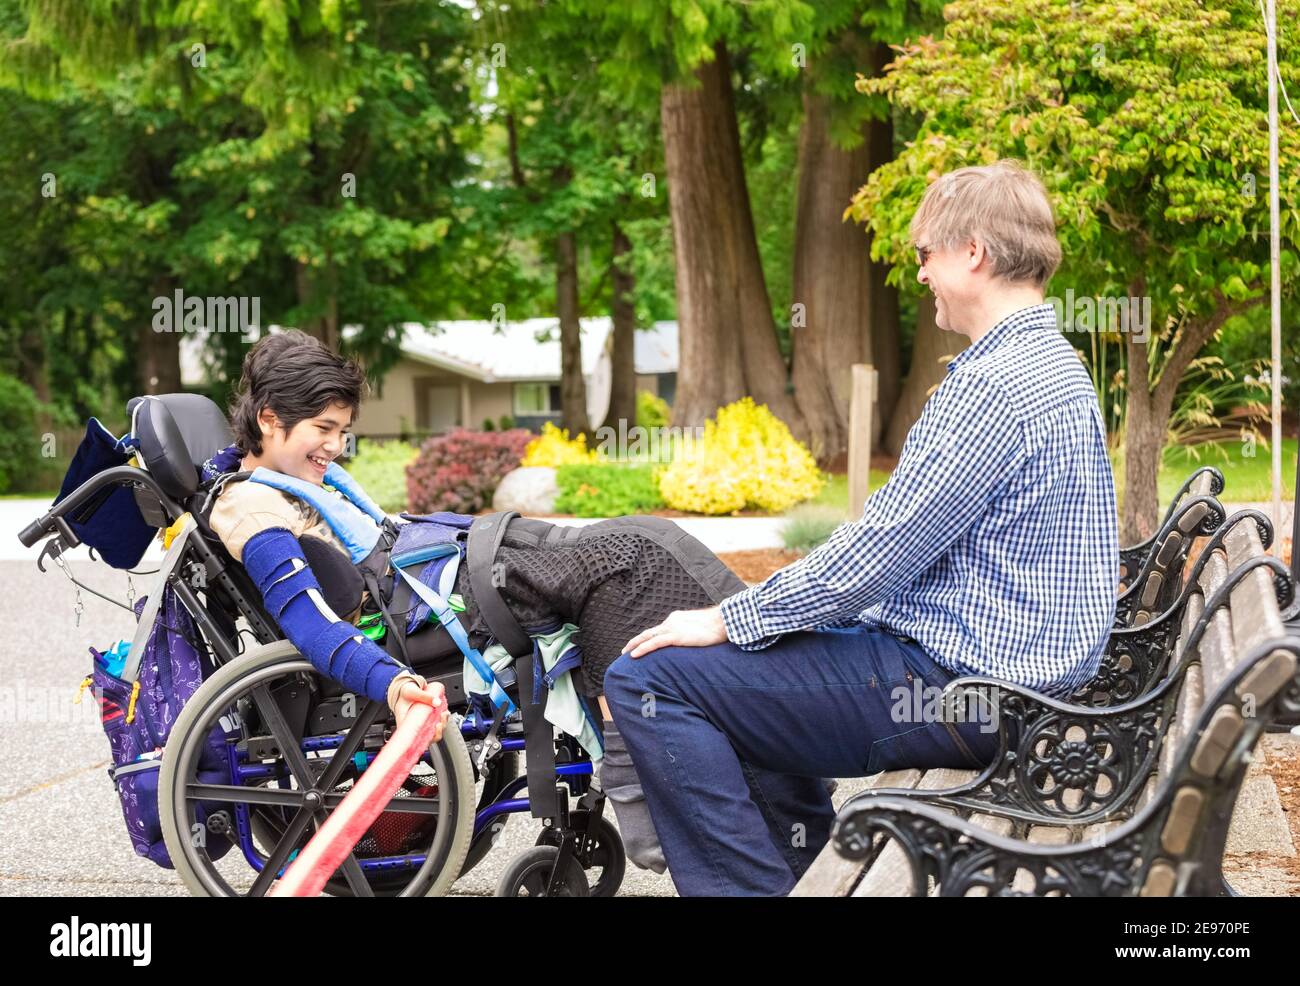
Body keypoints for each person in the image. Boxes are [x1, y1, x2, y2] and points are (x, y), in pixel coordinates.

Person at [604, 159, 1121, 896]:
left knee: (650, 680)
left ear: (971, 252)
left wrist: (732, 618)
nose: (920, 274)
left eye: (925, 255)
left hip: (970, 691)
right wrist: (772, 626)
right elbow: (903, 554)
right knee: (750, 668)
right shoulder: (1053, 364)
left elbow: (874, 558)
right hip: (1014, 681)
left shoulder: (995, 386)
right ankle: (802, 873)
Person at [205, 330, 448, 737]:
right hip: (398, 623)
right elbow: (308, 621)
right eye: (324, 428)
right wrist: (394, 683)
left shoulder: (294, 482)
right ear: (269, 419)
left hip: (419, 593)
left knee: (583, 559)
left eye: (342, 431)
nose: (337, 445)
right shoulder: (252, 505)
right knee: (584, 568)